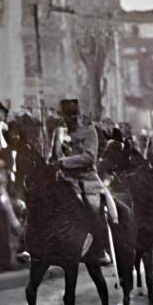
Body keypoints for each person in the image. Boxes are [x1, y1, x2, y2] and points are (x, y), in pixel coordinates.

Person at [49, 98, 117, 264]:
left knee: (93, 208)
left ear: (77, 115)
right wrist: (51, 164)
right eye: (65, 116)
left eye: (71, 116)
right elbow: (53, 155)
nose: (68, 120)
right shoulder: (59, 132)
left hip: (86, 178)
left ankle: (100, 250)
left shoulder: (88, 130)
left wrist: (64, 162)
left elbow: (89, 157)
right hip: (63, 178)